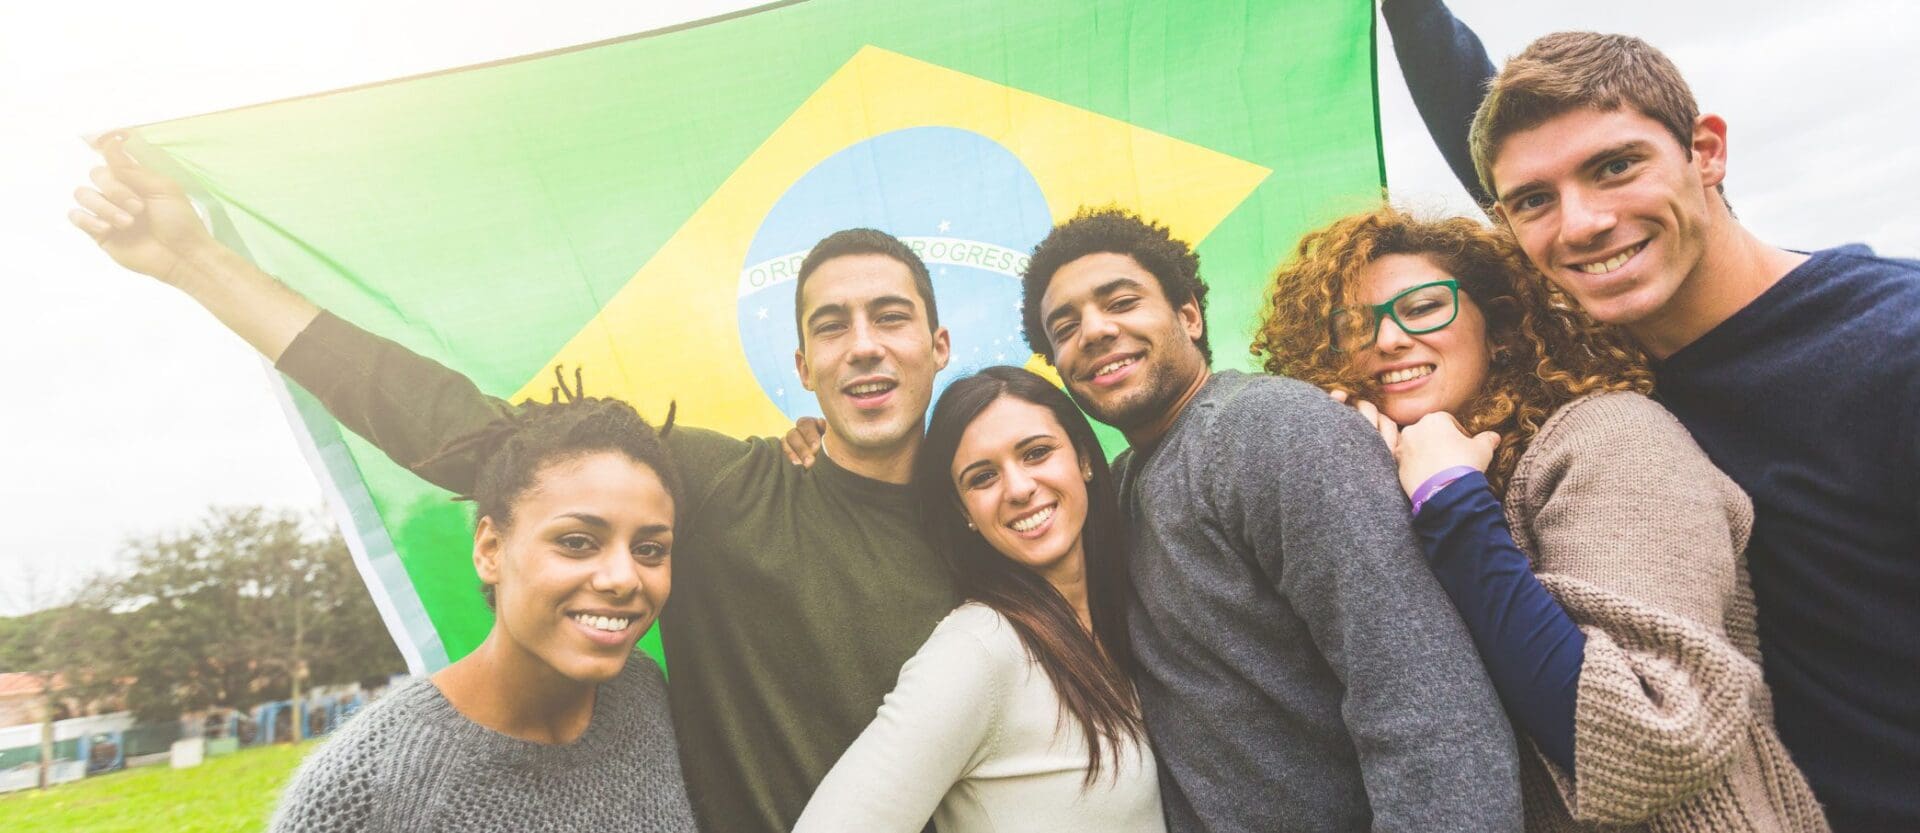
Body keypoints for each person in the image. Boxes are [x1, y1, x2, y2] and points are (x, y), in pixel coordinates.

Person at [69, 141, 958, 833]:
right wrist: (192, 261)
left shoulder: (997, 527)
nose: (865, 344)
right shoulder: (719, 484)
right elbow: (448, 422)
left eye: (891, 317)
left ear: (941, 345)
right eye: (832, 326)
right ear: (803, 364)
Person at [1382, 8, 1920, 827]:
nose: (1584, 222)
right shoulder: (1597, 352)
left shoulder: (1892, 347)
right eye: (1533, 201)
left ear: (1706, 151)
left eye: (1616, 166)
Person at [1253, 204, 1829, 831]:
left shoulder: (1611, 437)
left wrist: (1451, 499)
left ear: (1498, 326)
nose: (1388, 339)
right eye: (1354, 325)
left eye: (1422, 308)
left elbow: (1644, 732)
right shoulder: (1394, 483)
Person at [1016, 207, 1521, 832]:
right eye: (1063, 327)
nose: (1092, 330)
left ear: (1188, 315)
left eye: (1120, 301)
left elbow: (1423, 700)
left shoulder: (1272, 428)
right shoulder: (1114, 490)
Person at [270, 373, 696, 832]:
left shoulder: (643, 693)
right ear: (490, 549)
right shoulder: (362, 786)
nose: (622, 578)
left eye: (650, 550)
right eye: (577, 541)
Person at [790, 366, 1162, 832]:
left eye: (1037, 453)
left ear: (1085, 459)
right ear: (963, 511)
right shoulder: (979, 650)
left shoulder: (1128, 611)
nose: (1020, 489)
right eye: (982, 477)